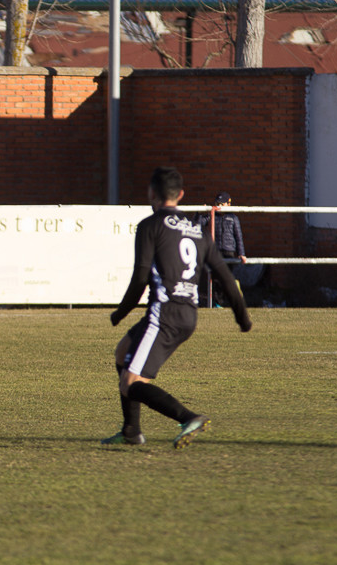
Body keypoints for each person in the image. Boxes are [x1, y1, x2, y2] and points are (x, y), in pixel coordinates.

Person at [104, 167, 252, 449]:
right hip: (188, 314)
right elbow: (224, 274)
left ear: (151, 193)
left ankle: (188, 418)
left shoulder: (150, 225)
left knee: (131, 382)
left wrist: (120, 312)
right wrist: (242, 317)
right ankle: (131, 430)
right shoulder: (197, 229)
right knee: (123, 351)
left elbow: (140, 277)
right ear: (181, 195)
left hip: (165, 314)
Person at [196, 192, 247, 307]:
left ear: (229, 204)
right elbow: (197, 225)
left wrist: (241, 253)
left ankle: (229, 292)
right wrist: (199, 213)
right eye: (217, 203)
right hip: (216, 251)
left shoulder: (233, 218)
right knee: (214, 278)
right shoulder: (211, 215)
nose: (219, 206)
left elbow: (238, 237)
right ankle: (217, 303)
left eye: (221, 204)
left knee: (224, 278)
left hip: (229, 252)